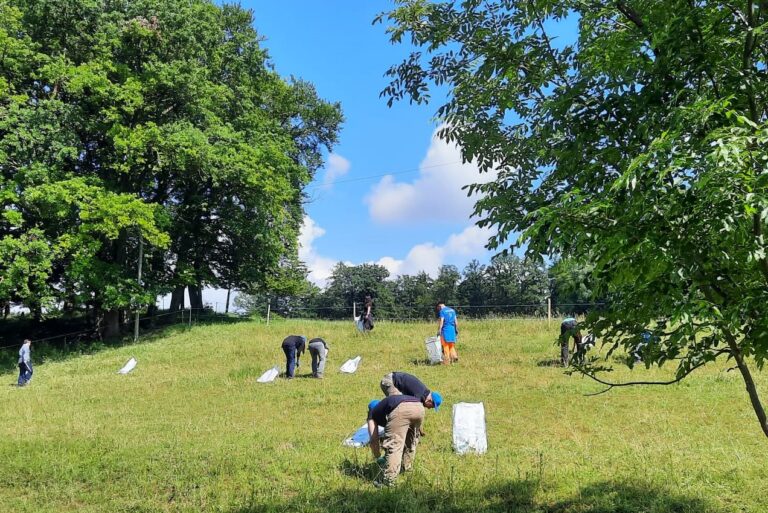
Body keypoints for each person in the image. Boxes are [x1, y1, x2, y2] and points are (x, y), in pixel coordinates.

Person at [367, 394, 425, 487]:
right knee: (410, 443)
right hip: (419, 407)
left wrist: (377, 456)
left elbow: (374, 438)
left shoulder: (373, 412)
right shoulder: (388, 404)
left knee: (395, 445)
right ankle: (406, 470)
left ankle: (389, 481)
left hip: (402, 411)